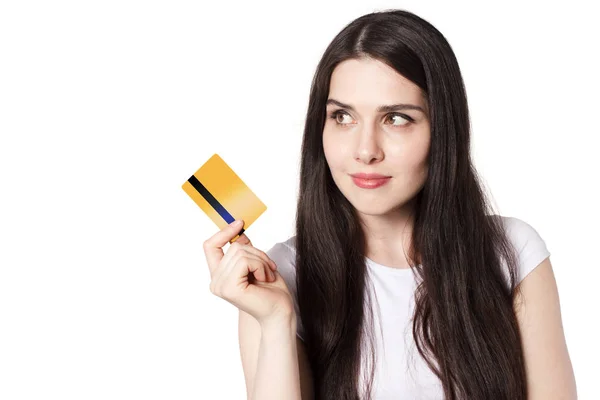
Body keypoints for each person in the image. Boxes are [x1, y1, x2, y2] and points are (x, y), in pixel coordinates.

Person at [202, 9, 577, 400]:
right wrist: (276, 320)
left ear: (443, 130)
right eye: (342, 116)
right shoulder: (281, 276)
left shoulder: (511, 253)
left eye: (396, 118)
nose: (365, 151)